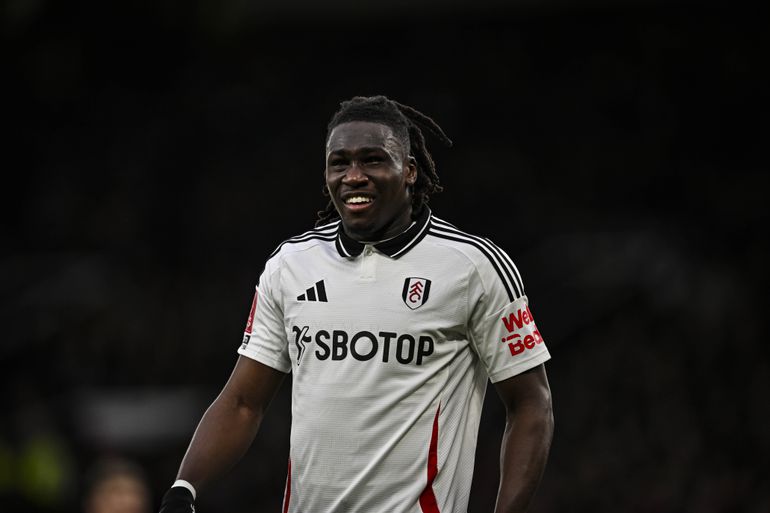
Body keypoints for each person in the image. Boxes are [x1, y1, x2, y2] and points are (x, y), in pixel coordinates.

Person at [159, 95, 554, 513]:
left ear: (410, 172)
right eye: (339, 163)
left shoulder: (472, 266)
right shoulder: (290, 265)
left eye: (373, 160)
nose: (354, 176)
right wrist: (184, 488)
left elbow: (531, 403)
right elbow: (243, 402)